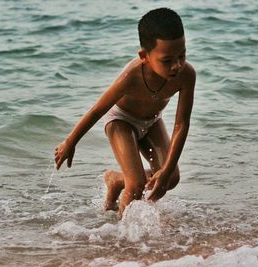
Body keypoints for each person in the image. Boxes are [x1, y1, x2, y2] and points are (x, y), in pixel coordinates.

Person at [54, 7, 196, 216]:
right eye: (167, 60)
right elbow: (97, 110)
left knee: (171, 178)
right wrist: (70, 142)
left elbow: (181, 124)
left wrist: (165, 171)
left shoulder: (187, 75)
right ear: (144, 56)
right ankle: (121, 241)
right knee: (136, 186)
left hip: (152, 121)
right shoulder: (132, 76)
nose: (177, 65)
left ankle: (117, 179)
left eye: (182, 55)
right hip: (121, 121)